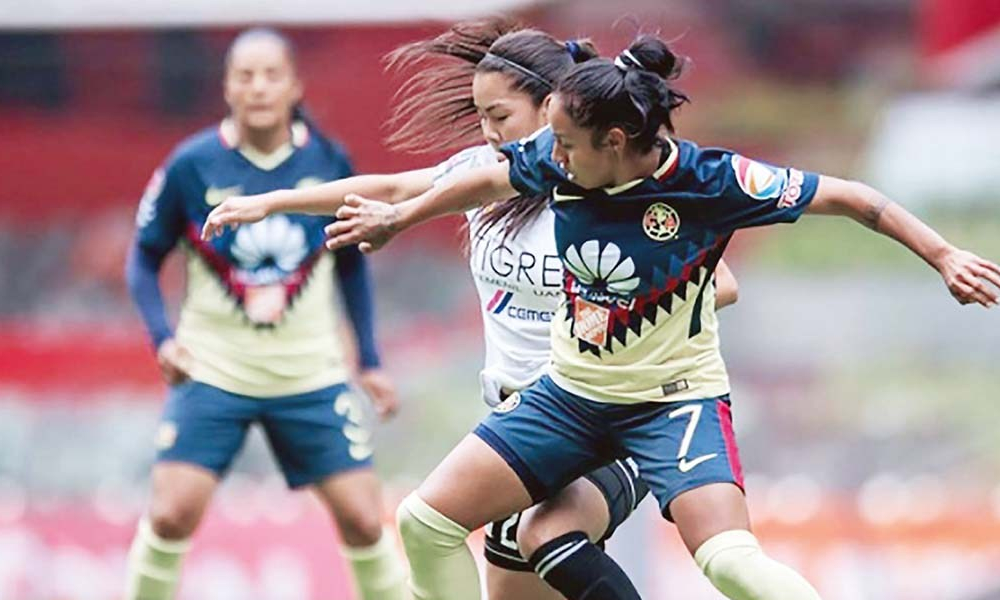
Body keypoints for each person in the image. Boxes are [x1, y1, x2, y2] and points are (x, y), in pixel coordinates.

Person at [321, 35, 1000, 600]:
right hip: (569, 400)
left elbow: (854, 198)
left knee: (731, 563)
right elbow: (490, 178)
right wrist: (397, 218)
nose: (546, 158)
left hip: (673, 407)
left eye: (564, 146)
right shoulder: (558, 158)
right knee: (424, 521)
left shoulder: (714, 182)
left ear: (615, 142)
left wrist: (943, 254)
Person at [202, 19, 740, 600]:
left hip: (598, 419)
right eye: (480, 116)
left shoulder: (608, 193)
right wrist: (270, 202)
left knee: (539, 536)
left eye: (500, 117)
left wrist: (609, 304)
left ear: (551, 109)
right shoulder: (478, 181)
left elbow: (723, 284)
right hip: (520, 430)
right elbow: (388, 190)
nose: (487, 133)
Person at [123, 28, 408, 600]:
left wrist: (370, 360)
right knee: (172, 513)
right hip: (214, 371)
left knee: (362, 518)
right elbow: (142, 258)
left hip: (310, 373)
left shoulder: (329, 160)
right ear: (227, 86)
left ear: (294, 86)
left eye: (271, 75)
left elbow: (350, 264)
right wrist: (162, 340)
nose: (258, 87)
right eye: (245, 75)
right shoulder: (190, 165)